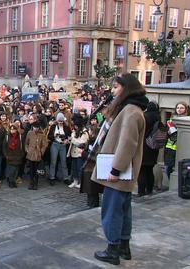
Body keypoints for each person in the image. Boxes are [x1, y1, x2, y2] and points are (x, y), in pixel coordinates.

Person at [92, 74, 148, 265]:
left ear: (126, 88)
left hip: (119, 171)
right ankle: (124, 246)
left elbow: (127, 143)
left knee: (112, 210)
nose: (113, 91)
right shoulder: (130, 109)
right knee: (123, 209)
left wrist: (116, 170)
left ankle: (113, 249)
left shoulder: (131, 111)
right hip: (124, 171)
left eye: (116, 87)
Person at [164, 101, 190, 184]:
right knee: (167, 168)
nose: (179, 109)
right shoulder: (171, 120)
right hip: (170, 148)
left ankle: (180, 185)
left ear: (186, 109)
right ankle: (172, 183)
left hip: (182, 148)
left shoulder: (189, 120)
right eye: (178, 108)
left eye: (182, 108)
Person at [138, 101, 161, 196]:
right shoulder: (158, 117)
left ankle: (141, 191)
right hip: (154, 146)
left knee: (142, 170)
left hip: (144, 146)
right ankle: (150, 190)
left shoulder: (144, 116)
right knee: (149, 170)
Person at [47, 113, 71, 185]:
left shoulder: (66, 127)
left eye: (61, 121)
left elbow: (69, 135)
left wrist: (67, 140)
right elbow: (49, 137)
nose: (60, 122)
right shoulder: (53, 127)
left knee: (63, 162)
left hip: (63, 145)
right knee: (53, 162)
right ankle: (52, 177)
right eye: (59, 121)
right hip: (55, 144)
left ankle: (65, 177)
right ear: (57, 121)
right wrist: (54, 136)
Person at [68, 113, 89, 189]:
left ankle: (81, 182)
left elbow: (82, 143)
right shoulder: (74, 130)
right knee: (74, 168)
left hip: (80, 153)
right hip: (73, 152)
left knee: (80, 168)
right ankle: (75, 181)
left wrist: (72, 139)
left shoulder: (84, 131)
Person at [24, 122, 48, 190]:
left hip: (38, 154)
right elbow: (26, 143)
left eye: (37, 127)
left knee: (37, 169)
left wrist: (41, 152)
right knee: (31, 169)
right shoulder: (29, 133)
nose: (36, 128)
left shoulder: (42, 134)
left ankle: (36, 183)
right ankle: (31, 182)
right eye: (34, 127)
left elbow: (45, 145)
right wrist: (27, 150)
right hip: (31, 154)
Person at [2, 123, 25, 188]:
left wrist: (22, 154)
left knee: (16, 170)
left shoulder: (20, 136)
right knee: (11, 170)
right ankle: (10, 181)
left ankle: (13, 181)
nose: (12, 131)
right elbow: (4, 146)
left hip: (18, 155)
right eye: (11, 129)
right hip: (10, 155)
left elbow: (22, 146)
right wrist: (6, 155)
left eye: (14, 129)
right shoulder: (7, 136)